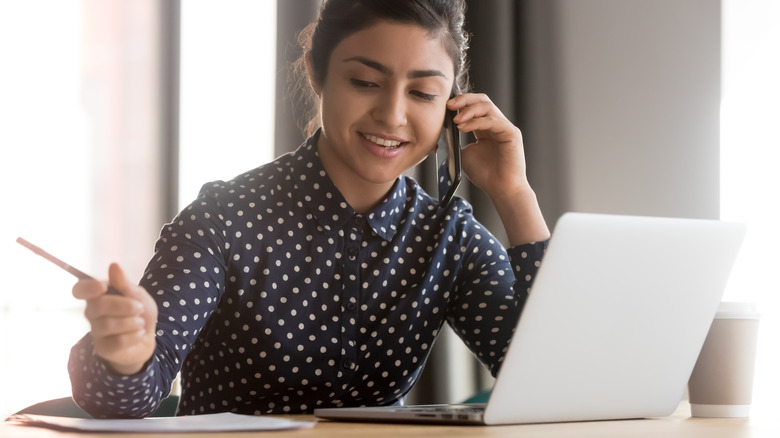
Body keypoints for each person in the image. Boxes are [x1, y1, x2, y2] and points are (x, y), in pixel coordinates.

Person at [68, 0, 550, 418]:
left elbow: (547, 381)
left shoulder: (450, 238)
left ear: (452, 106)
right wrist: (126, 357)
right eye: (364, 81)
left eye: (423, 93)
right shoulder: (223, 219)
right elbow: (127, 398)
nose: (392, 115)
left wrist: (514, 194)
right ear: (318, 75)